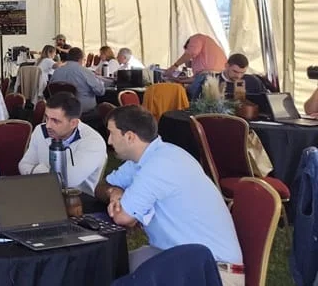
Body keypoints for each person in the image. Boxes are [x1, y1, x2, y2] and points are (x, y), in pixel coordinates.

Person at [97, 105, 243, 285]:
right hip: (174, 255)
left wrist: (120, 199)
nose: (109, 141)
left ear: (129, 137)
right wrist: (114, 192)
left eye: (112, 134)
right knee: (107, 268)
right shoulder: (152, 156)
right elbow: (102, 186)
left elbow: (123, 217)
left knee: (115, 277)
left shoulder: (159, 165)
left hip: (211, 271)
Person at [18, 93, 107, 196]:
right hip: (41, 192)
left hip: (78, 199)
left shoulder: (92, 141)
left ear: (73, 123)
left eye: (55, 121)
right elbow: (23, 165)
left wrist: (39, 169)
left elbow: (68, 181)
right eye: (47, 118)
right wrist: (49, 174)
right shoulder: (40, 131)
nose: (48, 125)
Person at [187, 53, 264, 101]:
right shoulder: (211, 81)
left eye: (242, 72)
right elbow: (197, 103)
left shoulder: (253, 81)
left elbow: (265, 103)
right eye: (235, 71)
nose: (238, 76)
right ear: (226, 66)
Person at [49, 48, 106, 113]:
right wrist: (101, 82)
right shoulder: (85, 72)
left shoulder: (57, 71)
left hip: (61, 108)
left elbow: (51, 88)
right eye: (84, 60)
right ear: (80, 59)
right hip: (83, 110)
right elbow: (100, 91)